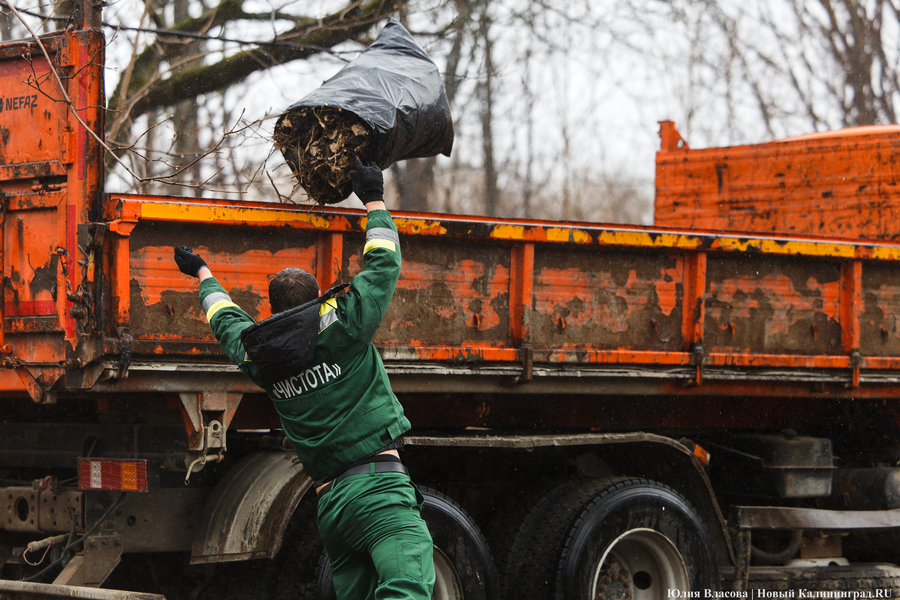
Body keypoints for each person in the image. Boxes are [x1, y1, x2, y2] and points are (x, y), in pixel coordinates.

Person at [173, 160, 435, 600]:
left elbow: (226, 320)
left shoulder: (260, 358)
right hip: (377, 491)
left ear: (274, 313)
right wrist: (372, 198)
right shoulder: (346, 324)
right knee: (407, 587)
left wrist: (202, 272)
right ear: (317, 300)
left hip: (333, 507)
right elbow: (384, 263)